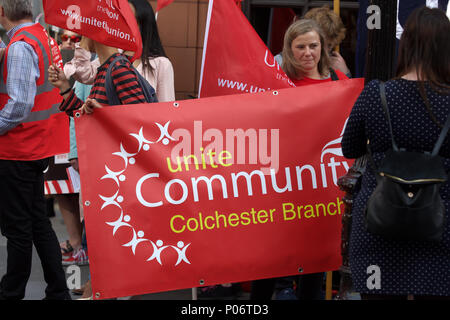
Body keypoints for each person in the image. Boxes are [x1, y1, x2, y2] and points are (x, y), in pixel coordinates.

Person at [341, 6, 450, 300]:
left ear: (407, 45)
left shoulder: (376, 94)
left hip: (380, 221)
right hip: (440, 225)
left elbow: (348, 147)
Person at [251, 18, 349, 301]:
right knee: (269, 260)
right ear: (289, 49)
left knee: (313, 263)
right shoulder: (278, 82)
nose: (308, 53)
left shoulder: (339, 82)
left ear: (324, 47)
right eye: (300, 46)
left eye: (314, 46)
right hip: (280, 185)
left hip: (319, 187)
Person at [0, 0, 70, 300]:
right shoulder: (43, 36)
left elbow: (18, 105)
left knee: (17, 229)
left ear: (2, 13)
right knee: (38, 223)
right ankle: (57, 291)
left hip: (17, 147)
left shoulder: (19, 45)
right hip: (38, 143)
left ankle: (11, 293)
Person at [64, 0, 175, 103]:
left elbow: (166, 111)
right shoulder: (114, 57)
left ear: (143, 24)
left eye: (129, 21)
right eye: (120, 20)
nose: (122, 26)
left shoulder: (161, 64)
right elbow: (82, 74)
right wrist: (88, 34)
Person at [303, 6, 351, 77]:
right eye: (317, 44)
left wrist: (345, 74)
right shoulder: (284, 62)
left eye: (329, 46)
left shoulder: (335, 64)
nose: (325, 50)